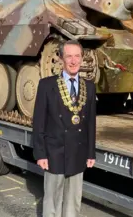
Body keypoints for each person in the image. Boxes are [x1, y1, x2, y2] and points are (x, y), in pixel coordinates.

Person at [32, 39, 96, 217]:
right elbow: (38, 122)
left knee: (73, 202)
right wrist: (41, 153)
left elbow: (90, 123)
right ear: (61, 59)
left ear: (82, 58)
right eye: (69, 56)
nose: (73, 61)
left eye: (77, 56)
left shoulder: (89, 87)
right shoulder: (47, 85)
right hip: (54, 152)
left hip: (78, 151)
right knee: (52, 201)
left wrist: (91, 153)